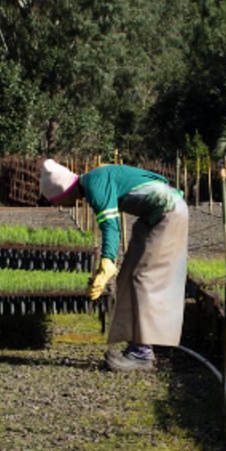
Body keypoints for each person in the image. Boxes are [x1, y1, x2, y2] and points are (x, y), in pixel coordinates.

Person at [40, 159, 188, 371]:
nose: (56, 206)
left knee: (143, 277)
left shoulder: (94, 186)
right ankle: (135, 344)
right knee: (127, 274)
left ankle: (142, 354)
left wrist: (107, 262)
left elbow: (111, 227)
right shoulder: (94, 182)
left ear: (62, 192)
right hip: (152, 216)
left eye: (54, 201)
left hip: (168, 212)